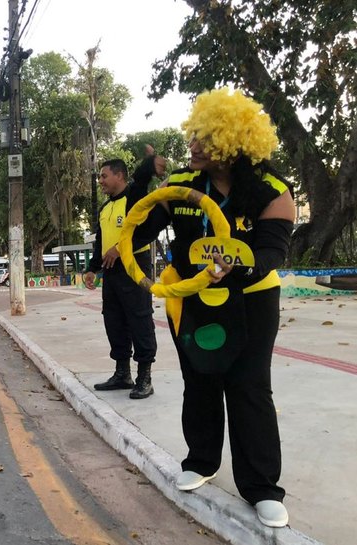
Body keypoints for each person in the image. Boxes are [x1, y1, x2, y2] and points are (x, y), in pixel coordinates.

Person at [131, 88, 295, 528]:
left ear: (234, 140)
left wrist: (235, 268)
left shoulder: (272, 190)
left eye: (205, 137)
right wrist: (146, 178)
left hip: (253, 298)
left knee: (249, 385)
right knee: (199, 379)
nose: (193, 145)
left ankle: (262, 487)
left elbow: (271, 252)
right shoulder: (182, 186)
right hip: (191, 300)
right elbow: (138, 227)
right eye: (194, 136)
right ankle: (202, 462)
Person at [82, 150, 166, 399]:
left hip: (134, 267)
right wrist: (91, 268)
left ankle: (145, 378)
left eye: (104, 176)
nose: (101, 181)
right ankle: (122, 373)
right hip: (111, 273)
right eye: (99, 177)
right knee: (114, 321)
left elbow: (148, 231)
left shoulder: (135, 198)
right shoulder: (105, 208)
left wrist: (121, 249)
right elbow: (101, 241)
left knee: (139, 319)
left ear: (119, 176)